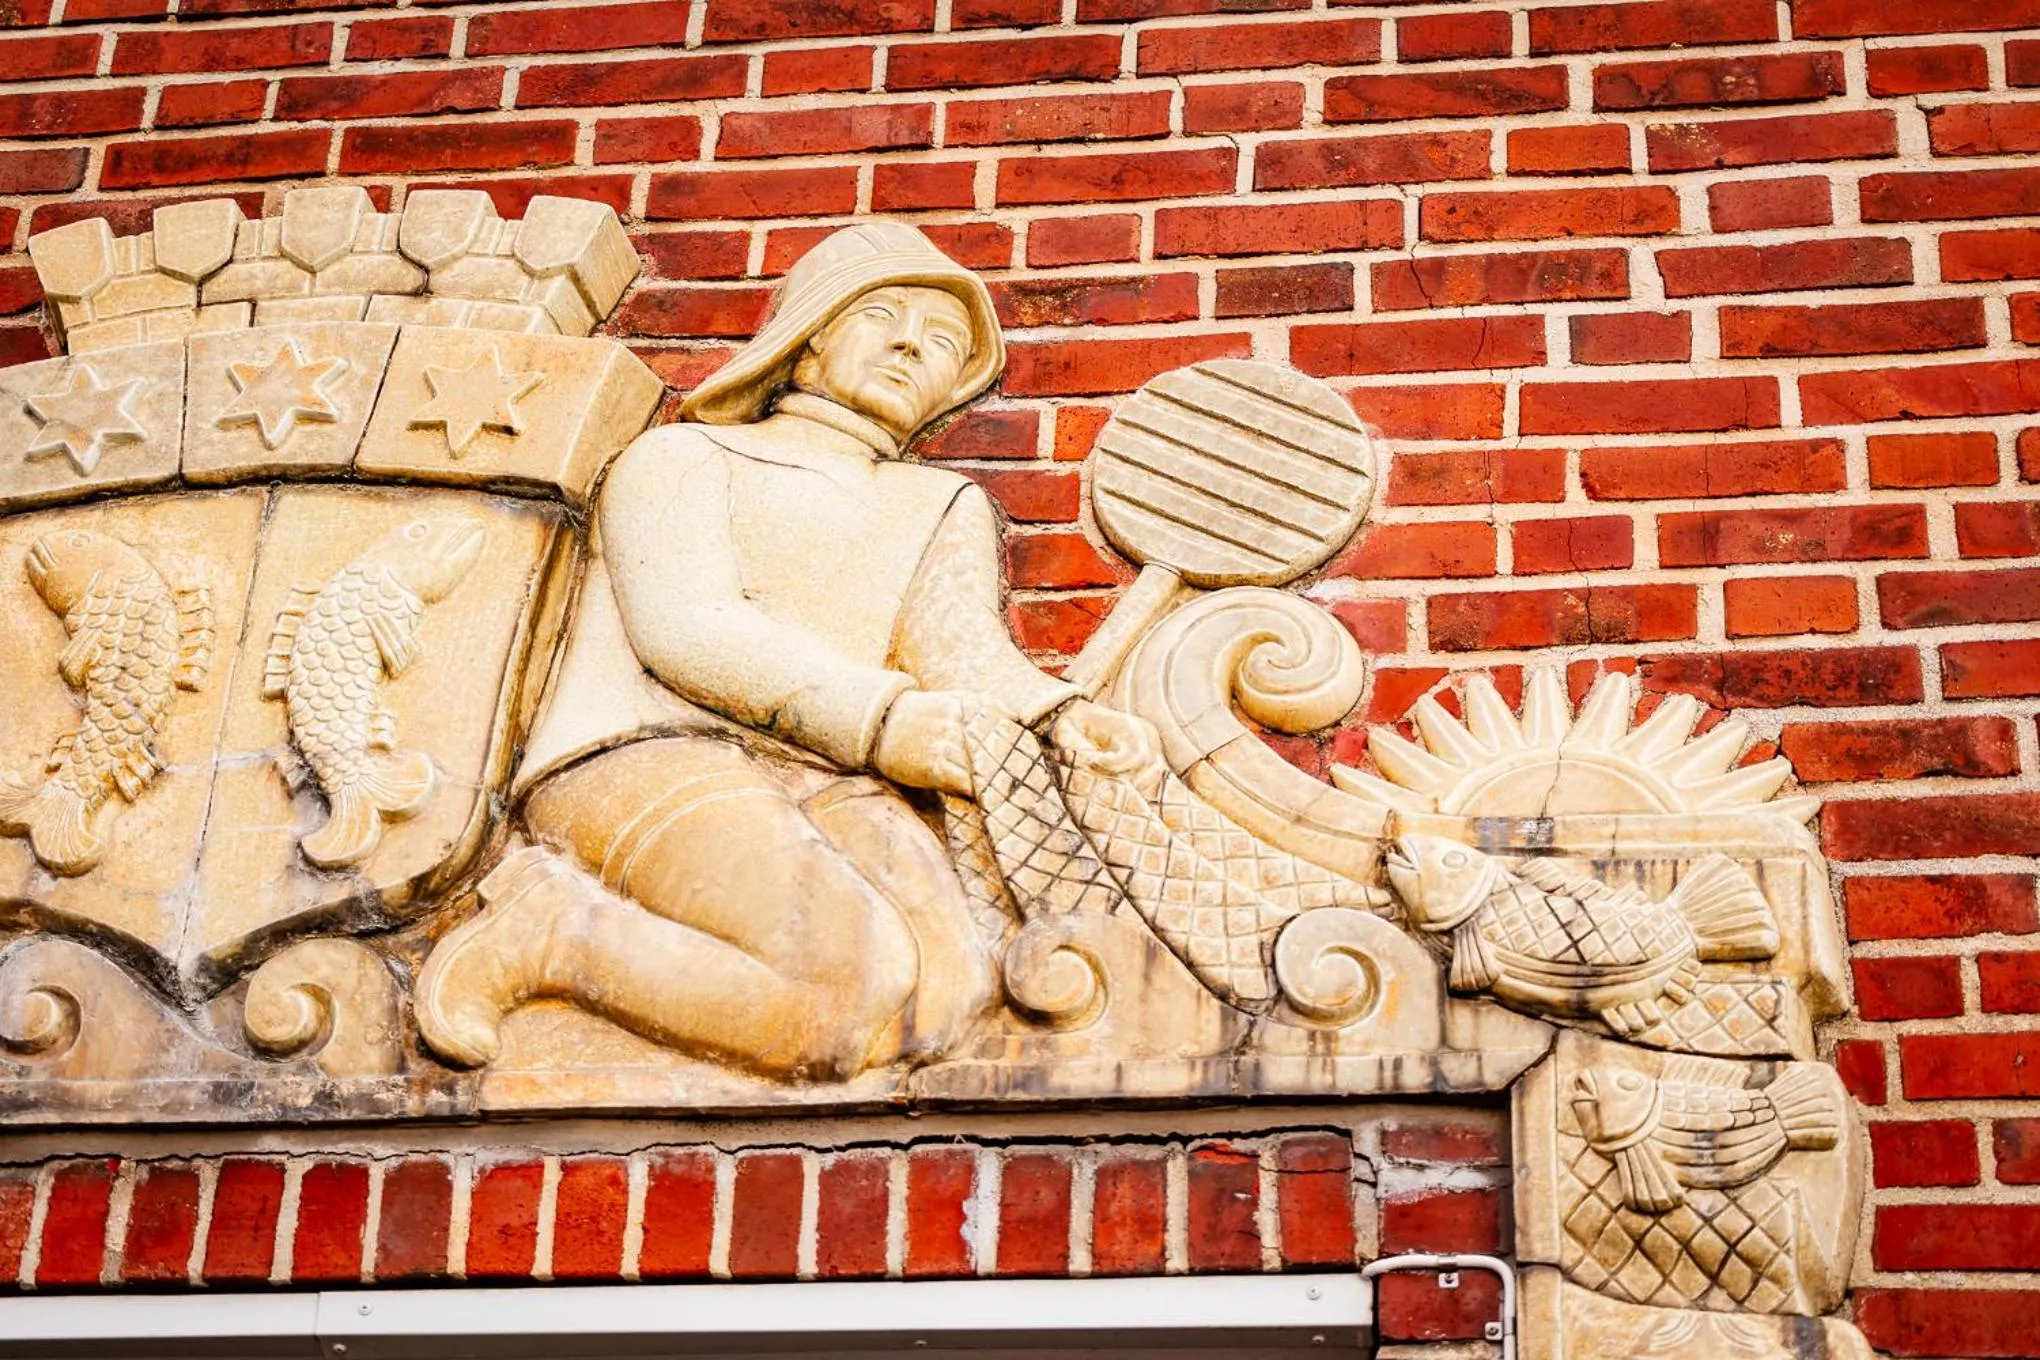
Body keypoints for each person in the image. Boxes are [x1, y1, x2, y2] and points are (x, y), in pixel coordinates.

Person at [415, 222, 1153, 1081]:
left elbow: (960, 655)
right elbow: (689, 630)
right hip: (651, 748)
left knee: (945, 998)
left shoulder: (938, 502)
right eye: (884, 315)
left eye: (946, 340)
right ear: (810, 337)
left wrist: (1057, 718)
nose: (915, 343)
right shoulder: (682, 456)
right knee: (852, 981)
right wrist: (883, 722)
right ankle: (553, 931)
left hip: (833, 771)